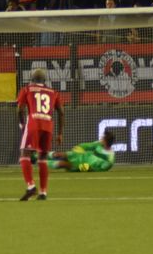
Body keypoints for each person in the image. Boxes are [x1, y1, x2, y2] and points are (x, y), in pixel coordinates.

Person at [16, 69, 64, 201]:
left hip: (34, 123)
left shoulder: (26, 89)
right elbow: (61, 112)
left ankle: (31, 186)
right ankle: (43, 192)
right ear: (44, 81)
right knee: (42, 157)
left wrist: (22, 125)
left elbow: (20, 109)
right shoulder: (53, 92)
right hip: (48, 125)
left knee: (24, 154)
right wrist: (60, 133)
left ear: (32, 79)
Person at [47, 132, 116, 172]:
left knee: (63, 164)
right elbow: (87, 145)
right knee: (59, 154)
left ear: (106, 141)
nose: (101, 139)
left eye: (103, 138)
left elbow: (101, 169)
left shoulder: (110, 158)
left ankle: (42, 162)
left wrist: (86, 168)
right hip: (80, 156)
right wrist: (80, 147)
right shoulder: (99, 144)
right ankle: (38, 156)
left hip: (84, 165)